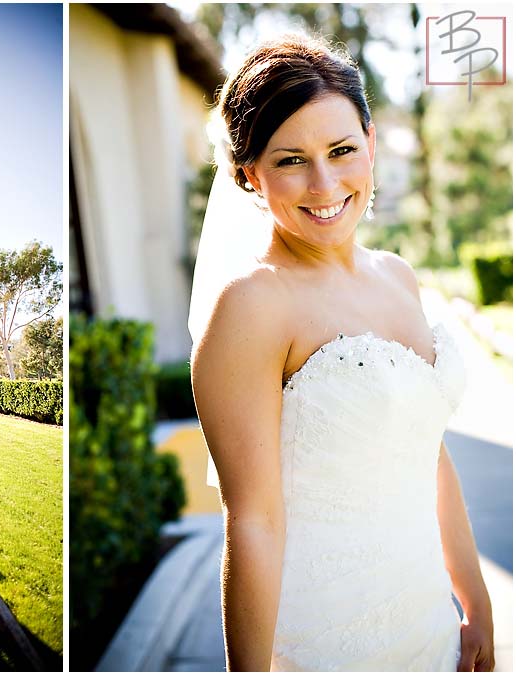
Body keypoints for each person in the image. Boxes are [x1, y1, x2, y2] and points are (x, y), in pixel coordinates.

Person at [188, 33, 494, 671]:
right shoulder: (251, 306)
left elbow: (428, 455)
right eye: (291, 160)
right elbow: (253, 523)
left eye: (342, 150)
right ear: (249, 174)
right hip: (325, 637)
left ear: (371, 143)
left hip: (425, 617)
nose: (324, 184)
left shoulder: (399, 275)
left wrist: (475, 598)